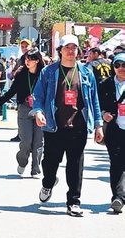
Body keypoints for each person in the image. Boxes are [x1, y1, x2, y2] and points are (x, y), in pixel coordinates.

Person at [33, 34, 104, 217]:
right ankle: (48, 183)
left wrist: (98, 125)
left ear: (78, 51)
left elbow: (94, 100)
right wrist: (38, 112)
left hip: (78, 127)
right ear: (60, 51)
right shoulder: (49, 72)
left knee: (75, 165)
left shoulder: (86, 72)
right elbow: (38, 95)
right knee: (50, 162)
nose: (71, 51)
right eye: (67, 48)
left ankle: (73, 201)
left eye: (74, 48)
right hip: (54, 126)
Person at [0, 48, 46, 178]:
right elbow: (11, 92)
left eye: (30, 59)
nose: (27, 62)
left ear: (37, 60)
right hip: (25, 108)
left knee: (38, 142)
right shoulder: (21, 74)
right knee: (26, 141)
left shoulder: (44, 74)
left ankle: (35, 169)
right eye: (26, 59)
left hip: (41, 110)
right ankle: (22, 161)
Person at [96, 52, 125, 213]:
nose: (121, 68)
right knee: (116, 163)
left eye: (124, 65)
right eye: (117, 65)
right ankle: (118, 197)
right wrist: (103, 114)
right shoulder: (105, 84)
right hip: (114, 129)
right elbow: (97, 104)